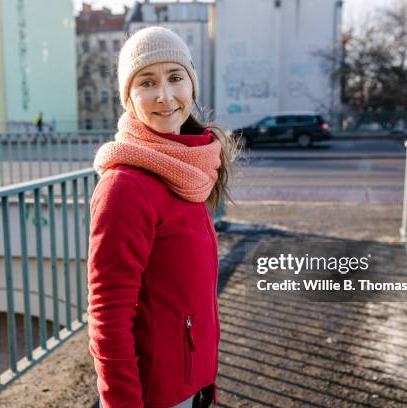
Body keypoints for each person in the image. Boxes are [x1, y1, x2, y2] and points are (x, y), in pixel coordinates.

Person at [87, 26, 237, 407]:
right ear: (128, 98)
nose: (165, 95)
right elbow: (107, 316)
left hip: (194, 384)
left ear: (192, 86)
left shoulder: (190, 168)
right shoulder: (125, 187)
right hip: (158, 396)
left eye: (175, 77)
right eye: (147, 82)